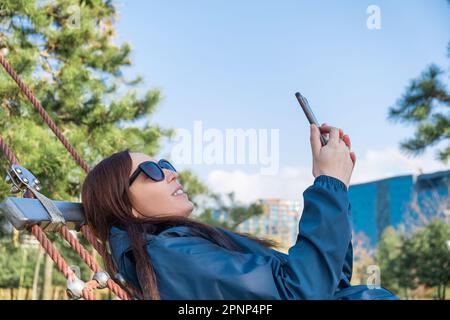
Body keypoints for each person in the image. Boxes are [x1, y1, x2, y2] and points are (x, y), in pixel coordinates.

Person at [81, 123, 397, 300]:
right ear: (124, 206)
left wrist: (337, 190)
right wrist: (328, 185)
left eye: (166, 164)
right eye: (151, 170)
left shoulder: (180, 245)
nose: (171, 173)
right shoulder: (169, 255)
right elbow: (301, 293)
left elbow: (330, 283)